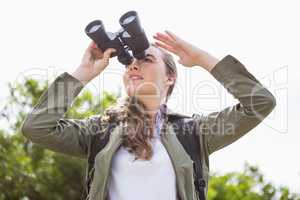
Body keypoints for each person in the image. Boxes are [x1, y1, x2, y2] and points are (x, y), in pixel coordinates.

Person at [21, 30, 276, 200]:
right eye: (131, 61)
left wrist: (201, 58)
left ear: (170, 77)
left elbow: (260, 103)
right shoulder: (99, 131)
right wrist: (83, 73)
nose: (134, 64)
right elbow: (37, 128)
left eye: (146, 59)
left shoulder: (194, 132)